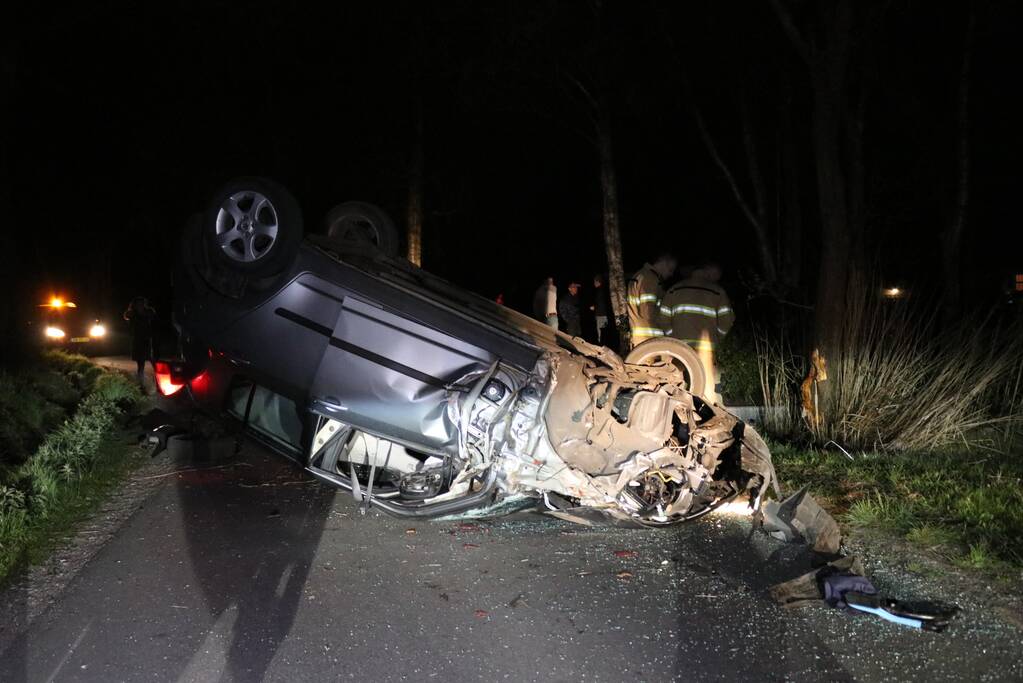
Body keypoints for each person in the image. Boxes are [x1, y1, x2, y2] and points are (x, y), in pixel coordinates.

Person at [661, 262, 735, 403]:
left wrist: (673, 337)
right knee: (709, 391)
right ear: (710, 271)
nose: (717, 279)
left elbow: (663, 318)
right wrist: (716, 336)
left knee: (679, 386)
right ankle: (710, 419)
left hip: (680, 350)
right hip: (705, 350)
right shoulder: (717, 292)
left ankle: (680, 418)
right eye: (717, 276)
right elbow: (728, 320)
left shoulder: (674, 290)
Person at [627, 252, 677, 348]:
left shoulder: (642, 275)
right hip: (649, 338)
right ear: (663, 263)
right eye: (671, 270)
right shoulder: (650, 278)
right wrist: (665, 326)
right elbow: (648, 311)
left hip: (641, 337)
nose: (671, 274)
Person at [123, 296, 156, 385]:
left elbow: (152, 315)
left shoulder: (148, 312)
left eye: (142, 303)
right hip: (137, 337)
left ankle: (157, 374)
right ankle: (140, 377)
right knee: (140, 359)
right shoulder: (132, 313)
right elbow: (126, 316)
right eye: (138, 303)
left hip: (146, 337)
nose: (140, 305)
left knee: (150, 356)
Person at [589, 273, 611, 345]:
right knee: (604, 332)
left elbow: (601, 303)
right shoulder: (604, 290)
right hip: (604, 314)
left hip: (601, 315)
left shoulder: (600, 291)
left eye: (594, 282)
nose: (594, 283)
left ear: (598, 282)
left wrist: (594, 307)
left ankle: (602, 348)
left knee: (601, 333)